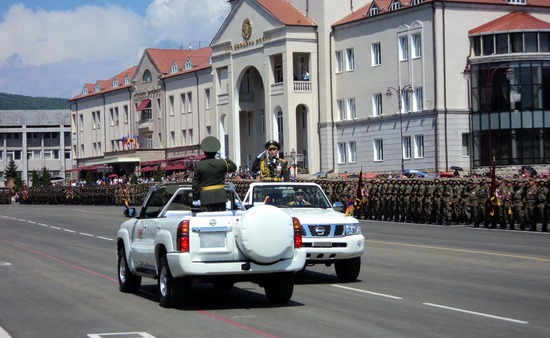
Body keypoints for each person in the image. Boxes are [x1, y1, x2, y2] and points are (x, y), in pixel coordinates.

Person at [192, 136, 237, 211]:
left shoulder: (199, 165)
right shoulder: (222, 163)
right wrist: (225, 158)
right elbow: (233, 167)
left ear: (204, 152)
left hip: (205, 198)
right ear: (216, 152)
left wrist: (196, 197)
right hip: (220, 197)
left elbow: (195, 184)